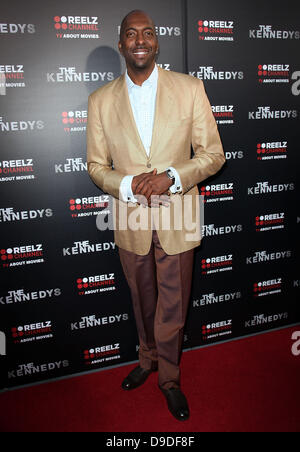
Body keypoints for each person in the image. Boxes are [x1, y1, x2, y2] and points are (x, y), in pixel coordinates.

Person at [87, 10, 225, 421]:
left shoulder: (189, 89)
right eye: (131, 34)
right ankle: (146, 359)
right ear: (121, 44)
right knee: (141, 298)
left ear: (157, 42)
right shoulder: (100, 100)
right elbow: (96, 166)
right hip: (130, 218)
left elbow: (213, 155)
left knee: (173, 305)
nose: (140, 40)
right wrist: (129, 186)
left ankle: (169, 377)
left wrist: (171, 177)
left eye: (147, 33)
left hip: (177, 216)